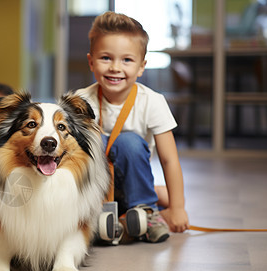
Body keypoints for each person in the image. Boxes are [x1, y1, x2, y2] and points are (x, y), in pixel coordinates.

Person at [76, 12, 189, 243]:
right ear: (91, 62)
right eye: (106, 58)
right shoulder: (78, 101)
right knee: (86, 142)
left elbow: (169, 160)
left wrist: (178, 208)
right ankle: (103, 216)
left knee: (129, 142)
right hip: (94, 191)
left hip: (132, 185)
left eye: (127, 60)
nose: (115, 68)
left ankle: (146, 212)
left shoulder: (152, 101)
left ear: (141, 67)